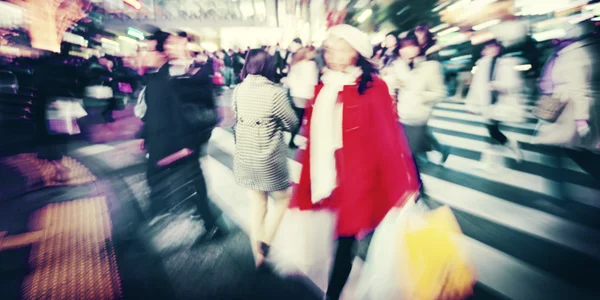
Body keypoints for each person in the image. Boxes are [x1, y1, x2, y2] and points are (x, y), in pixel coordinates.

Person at [290, 25, 420, 300]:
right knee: (344, 236)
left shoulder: (374, 87)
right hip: (334, 177)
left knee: (355, 235)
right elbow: (314, 138)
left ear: (356, 53)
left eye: (341, 48)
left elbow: (390, 137)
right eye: (330, 48)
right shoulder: (324, 86)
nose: (332, 54)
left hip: (366, 178)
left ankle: (339, 292)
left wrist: (407, 178)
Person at [143, 30, 224, 245]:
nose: (173, 47)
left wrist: (186, 144)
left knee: (192, 178)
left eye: (177, 43)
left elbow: (191, 108)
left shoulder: (188, 72)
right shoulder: (163, 74)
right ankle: (205, 219)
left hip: (184, 139)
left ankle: (209, 223)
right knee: (188, 178)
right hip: (174, 139)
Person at [232, 49, 299, 267]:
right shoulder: (274, 93)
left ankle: (257, 256)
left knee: (257, 205)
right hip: (268, 159)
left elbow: (236, 114)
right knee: (282, 199)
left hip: (245, 156)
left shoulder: (239, 90)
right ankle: (266, 241)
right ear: (269, 67)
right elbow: (292, 122)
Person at [394, 32, 449, 165]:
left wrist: (419, 96)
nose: (406, 50)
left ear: (418, 47)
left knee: (410, 156)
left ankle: (418, 182)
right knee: (410, 154)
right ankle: (439, 150)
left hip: (418, 116)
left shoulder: (430, 66)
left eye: (411, 46)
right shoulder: (399, 65)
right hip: (401, 114)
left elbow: (440, 92)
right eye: (402, 47)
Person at [466, 39, 524, 166]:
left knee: (492, 131)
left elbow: (514, 84)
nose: (488, 50)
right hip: (486, 103)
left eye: (492, 47)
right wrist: (471, 103)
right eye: (486, 48)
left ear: (498, 48)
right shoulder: (481, 64)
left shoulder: (506, 63)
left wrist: (496, 85)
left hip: (500, 103)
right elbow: (476, 86)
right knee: (492, 130)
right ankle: (505, 149)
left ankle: (493, 157)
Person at [286, 47, 319, 148]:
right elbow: (313, 81)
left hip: (296, 94)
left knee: (298, 118)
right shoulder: (311, 65)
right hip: (305, 95)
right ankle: (304, 141)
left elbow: (290, 79)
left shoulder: (296, 64)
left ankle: (292, 139)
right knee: (307, 119)